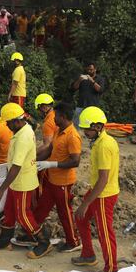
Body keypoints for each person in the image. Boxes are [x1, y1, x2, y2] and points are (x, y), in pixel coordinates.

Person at [0, 103, 51, 257]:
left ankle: (44, 242)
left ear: (16, 121)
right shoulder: (23, 129)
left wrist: (1, 190)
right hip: (16, 181)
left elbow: (16, 166)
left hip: (22, 182)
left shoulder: (23, 137)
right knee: (9, 211)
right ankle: (5, 241)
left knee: (23, 215)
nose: (7, 126)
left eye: (8, 123)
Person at [71, 106, 120, 272]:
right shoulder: (100, 142)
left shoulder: (104, 146)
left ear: (98, 127)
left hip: (104, 194)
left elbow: (103, 179)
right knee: (80, 217)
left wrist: (86, 203)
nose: (85, 133)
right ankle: (88, 254)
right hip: (98, 191)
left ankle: (111, 269)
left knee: (104, 231)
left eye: (87, 129)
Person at [30, 101, 82, 253]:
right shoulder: (59, 131)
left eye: (56, 116)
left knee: (64, 212)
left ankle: (73, 241)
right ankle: (31, 233)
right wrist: (33, 162)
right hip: (52, 179)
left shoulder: (72, 136)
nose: (54, 118)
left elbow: (75, 161)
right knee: (42, 207)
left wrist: (51, 164)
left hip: (63, 182)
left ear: (63, 117)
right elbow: (49, 150)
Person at [69, 62, 105, 126]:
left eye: (91, 69)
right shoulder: (82, 77)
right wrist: (79, 80)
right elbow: (73, 89)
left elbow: (100, 90)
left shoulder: (100, 79)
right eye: (88, 69)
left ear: (95, 69)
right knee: (76, 124)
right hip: (81, 104)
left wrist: (92, 81)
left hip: (93, 106)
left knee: (91, 124)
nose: (89, 71)